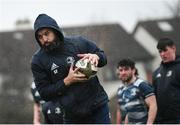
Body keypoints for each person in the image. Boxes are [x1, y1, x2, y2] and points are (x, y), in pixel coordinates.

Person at [31, 14, 110, 124]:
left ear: (55, 30)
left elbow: (103, 57)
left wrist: (97, 57)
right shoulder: (38, 61)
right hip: (72, 114)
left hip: (97, 107)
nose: (44, 39)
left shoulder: (78, 43)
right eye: (40, 37)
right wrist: (67, 81)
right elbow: (44, 93)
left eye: (46, 34)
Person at [116, 58, 157, 124]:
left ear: (133, 70)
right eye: (121, 70)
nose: (123, 72)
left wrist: (149, 123)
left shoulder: (142, 85)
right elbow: (129, 112)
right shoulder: (124, 88)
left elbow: (153, 105)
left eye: (126, 69)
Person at [152, 38, 180, 124]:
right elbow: (154, 98)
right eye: (160, 51)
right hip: (161, 121)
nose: (162, 54)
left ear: (173, 48)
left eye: (165, 50)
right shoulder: (156, 73)